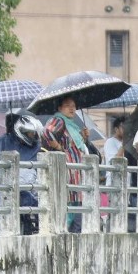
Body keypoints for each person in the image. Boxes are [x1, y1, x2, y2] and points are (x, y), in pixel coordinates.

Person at [42, 95, 95, 233]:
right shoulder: (59, 120)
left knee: (76, 205)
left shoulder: (72, 125)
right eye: (67, 105)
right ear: (60, 108)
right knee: (70, 205)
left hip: (76, 173)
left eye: (73, 105)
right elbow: (47, 133)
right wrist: (60, 149)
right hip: (69, 172)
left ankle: (70, 234)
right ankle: (65, 233)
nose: (72, 108)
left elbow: (74, 146)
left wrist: (83, 137)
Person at [0, 112, 44, 235]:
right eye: (30, 133)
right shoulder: (1, 142)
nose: (33, 136)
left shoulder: (37, 147)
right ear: (21, 132)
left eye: (35, 133)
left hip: (27, 188)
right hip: (1, 187)